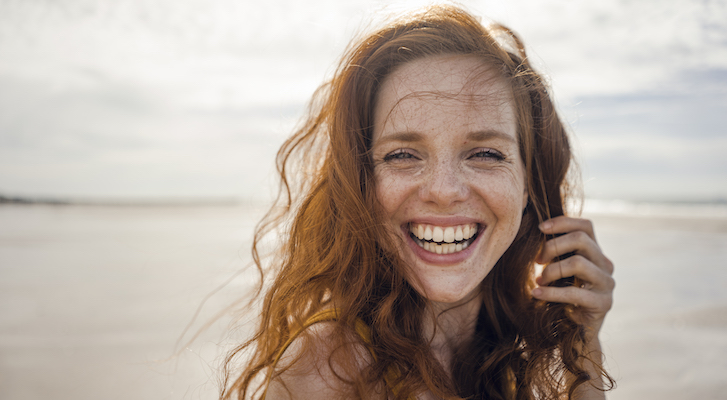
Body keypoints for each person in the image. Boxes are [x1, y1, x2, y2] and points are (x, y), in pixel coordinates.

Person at [221, 5, 615, 400]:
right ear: (361, 182)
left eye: (486, 154)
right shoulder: (326, 370)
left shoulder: (508, 349)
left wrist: (582, 348)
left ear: (529, 183)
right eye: (402, 155)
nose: (444, 190)